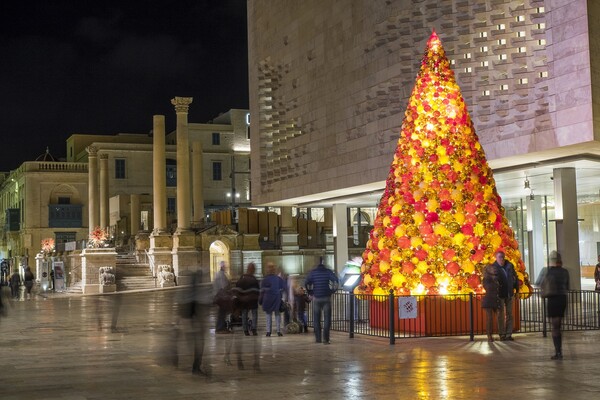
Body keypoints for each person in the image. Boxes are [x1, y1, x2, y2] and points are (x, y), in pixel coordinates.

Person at [541, 251, 570, 360]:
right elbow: (567, 286)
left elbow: (540, 282)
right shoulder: (565, 272)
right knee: (559, 325)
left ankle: (558, 351)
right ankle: (559, 351)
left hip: (552, 299)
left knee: (554, 327)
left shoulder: (549, 271)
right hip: (562, 299)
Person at [305, 261, 339, 344]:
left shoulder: (313, 273)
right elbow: (336, 281)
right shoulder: (328, 272)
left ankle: (318, 339)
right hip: (326, 298)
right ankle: (326, 339)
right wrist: (332, 291)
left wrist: (310, 292)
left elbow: (306, 283)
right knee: (327, 319)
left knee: (316, 319)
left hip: (317, 298)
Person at [493, 249, 518, 341]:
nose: (502, 259)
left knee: (509, 314)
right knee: (500, 314)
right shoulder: (493, 267)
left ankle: (508, 334)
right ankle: (502, 334)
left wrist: (517, 290)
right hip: (499, 294)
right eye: (500, 257)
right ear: (496, 258)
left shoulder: (509, 266)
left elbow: (515, 277)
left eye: (503, 257)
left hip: (509, 293)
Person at [259, 262, 286, 337]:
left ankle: (268, 331)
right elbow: (283, 287)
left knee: (269, 315)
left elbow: (262, 289)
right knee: (277, 315)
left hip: (268, 299)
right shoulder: (278, 279)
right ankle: (278, 331)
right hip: (276, 298)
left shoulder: (265, 279)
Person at [234, 262, 260, 336]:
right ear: (252, 270)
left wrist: (240, 298)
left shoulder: (242, 278)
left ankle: (245, 330)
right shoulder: (254, 279)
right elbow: (257, 290)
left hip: (244, 300)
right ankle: (254, 329)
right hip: (253, 300)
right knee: (254, 314)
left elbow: (238, 288)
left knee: (244, 314)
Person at [482, 263, 500, 342]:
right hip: (489, 299)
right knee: (489, 319)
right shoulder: (486, 278)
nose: (494, 269)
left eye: (494, 268)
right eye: (492, 268)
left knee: (499, 317)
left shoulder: (496, 277)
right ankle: (489, 335)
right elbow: (488, 287)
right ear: (488, 270)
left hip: (496, 299)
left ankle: (498, 334)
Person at [213, 261, 231, 333]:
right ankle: (220, 328)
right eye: (225, 266)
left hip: (220, 296)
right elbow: (223, 286)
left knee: (222, 312)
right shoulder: (221, 275)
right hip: (221, 297)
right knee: (222, 312)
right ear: (222, 267)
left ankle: (222, 327)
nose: (226, 267)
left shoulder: (220, 274)